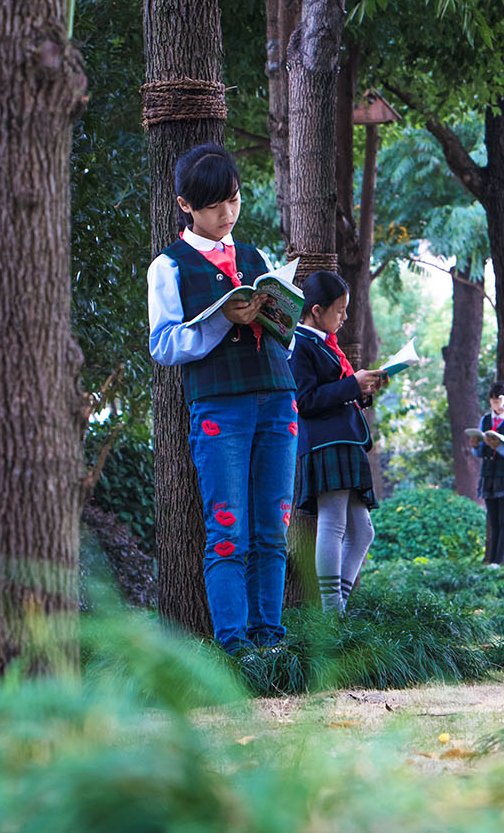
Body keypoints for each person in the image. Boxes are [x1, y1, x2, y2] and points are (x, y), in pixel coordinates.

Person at [147, 143, 297, 660]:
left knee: (273, 526)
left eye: (233, 200)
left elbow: (285, 337)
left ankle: (270, 640)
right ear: (185, 205)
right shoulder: (168, 266)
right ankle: (235, 648)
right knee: (228, 530)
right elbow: (163, 345)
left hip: (278, 398)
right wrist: (220, 321)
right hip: (219, 405)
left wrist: (278, 316)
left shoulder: (255, 258)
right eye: (213, 206)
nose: (226, 214)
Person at [290, 271, 385, 613]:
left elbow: (336, 391)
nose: (344, 317)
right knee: (333, 524)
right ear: (316, 310)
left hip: (345, 440)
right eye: (340, 310)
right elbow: (305, 400)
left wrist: (362, 388)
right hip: (324, 444)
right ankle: (332, 613)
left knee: (362, 532)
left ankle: (337, 608)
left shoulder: (324, 343)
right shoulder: (300, 345)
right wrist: (352, 385)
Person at [469, 381, 504, 565]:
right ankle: (491, 560)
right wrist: (476, 446)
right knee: (493, 520)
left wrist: (500, 447)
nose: (497, 405)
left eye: (500, 400)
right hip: (489, 474)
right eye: (494, 401)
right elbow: (479, 452)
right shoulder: (485, 420)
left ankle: (498, 562)